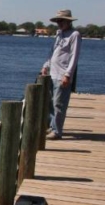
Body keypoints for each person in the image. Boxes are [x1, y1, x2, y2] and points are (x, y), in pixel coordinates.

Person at [41, 9, 82, 140]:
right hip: (52, 74)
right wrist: (45, 66)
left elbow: (74, 56)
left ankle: (57, 131)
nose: (59, 23)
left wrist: (68, 75)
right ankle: (53, 127)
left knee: (59, 104)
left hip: (62, 75)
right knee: (51, 103)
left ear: (68, 21)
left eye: (61, 21)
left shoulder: (74, 35)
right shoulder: (59, 34)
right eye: (57, 21)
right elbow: (52, 53)